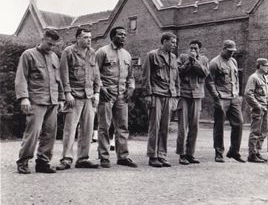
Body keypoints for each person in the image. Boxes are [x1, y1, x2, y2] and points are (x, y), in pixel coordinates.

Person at [15, 29, 64, 174]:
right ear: (42, 39)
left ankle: (43, 162)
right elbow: (21, 77)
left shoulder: (54, 57)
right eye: (49, 44)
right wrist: (24, 97)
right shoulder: (28, 55)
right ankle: (23, 161)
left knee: (50, 133)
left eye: (54, 45)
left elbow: (58, 79)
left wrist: (60, 98)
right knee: (33, 132)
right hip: (36, 100)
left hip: (52, 100)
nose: (51, 47)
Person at [56, 28, 100, 170]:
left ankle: (83, 158)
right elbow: (63, 75)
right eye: (86, 37)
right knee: (70, 129)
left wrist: (97, 92)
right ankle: (66, 159)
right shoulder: (68, 52)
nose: (89, 40)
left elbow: (96, 74)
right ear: (78, 39)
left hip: (89, 96)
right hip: (74, 96)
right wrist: (67, 93)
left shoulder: (92, 52)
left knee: (87, 129)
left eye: (90, 38)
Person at [96, 26, 137, 168]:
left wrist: (131, 88)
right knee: (104, 127)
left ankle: (123, 157)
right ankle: (104, 157)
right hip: (107, 94)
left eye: (125, 35)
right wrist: (101, 88)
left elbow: (131, 75)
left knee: (123, 127)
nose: (123, 37)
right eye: (120, 34)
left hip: (122, 95)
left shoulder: (127, 55)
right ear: (112, 36)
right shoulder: (102, 52)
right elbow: (95, 74)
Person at [142, 32, 180, 168]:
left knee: (165, 127)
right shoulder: (152, 55)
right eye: (172, 42)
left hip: (169, 95)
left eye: (175, 43)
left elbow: (176, 79)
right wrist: (147, 95)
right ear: (164, 42)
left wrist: (176, 95)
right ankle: (153, 156)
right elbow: (146, 76)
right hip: (156, 94)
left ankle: (162, 155)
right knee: (155, 127)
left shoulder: (174, 57)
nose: (174, 45)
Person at [206, 40, 245, 163]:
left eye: (233, 51)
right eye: (229, 51)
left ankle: (234, 151)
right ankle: (219, 152)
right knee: (219, 126)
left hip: (233, 97)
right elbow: (210, 82)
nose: (231, 54)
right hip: (221, 98)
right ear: (223, 49)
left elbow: (236, 78)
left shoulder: (233, 61)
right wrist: (216, 97)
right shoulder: (214, 63)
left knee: (239, 123)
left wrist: (238, 94)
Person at [175, 40, 208, 165]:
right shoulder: (183, 58)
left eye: (195, 48)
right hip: (184, 94)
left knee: (194, 126)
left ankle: (190, 154)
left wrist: (196, 62)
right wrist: (189, 61)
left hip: (197, 95)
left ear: (200, 49)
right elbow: (178, 71)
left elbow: (205, 73)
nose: (193, 50)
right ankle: (182, 154)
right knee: (183, 126)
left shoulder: (204, 60)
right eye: (191, 48)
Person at [245, 58, 268, 163]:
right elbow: (248, 94)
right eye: (265, 65)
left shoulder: (265, 78)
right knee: (255, 132)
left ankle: (257, 152)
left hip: (266, 108)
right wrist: (258, 106)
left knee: (263, 132)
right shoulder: (253, 78)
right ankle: (252, 154)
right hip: (258, 109)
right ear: (260, 66)